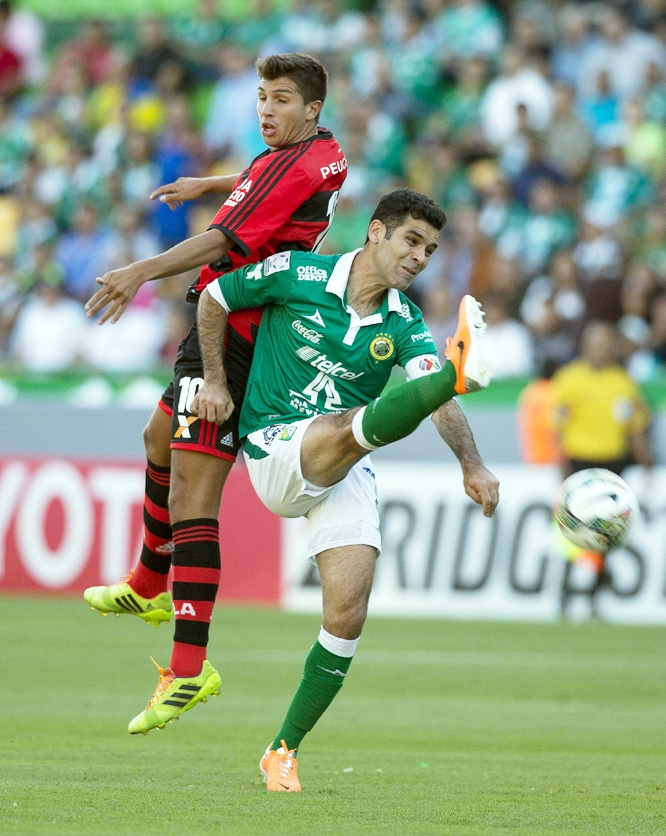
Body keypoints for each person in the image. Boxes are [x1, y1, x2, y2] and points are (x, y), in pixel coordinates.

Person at [190, 189, 499, 790]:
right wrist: (214, 381)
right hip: (276, 445)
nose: (420, 257)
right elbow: (215, 297)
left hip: (344, 461)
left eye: (431, 250)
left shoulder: (402, 321)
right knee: (352, 425)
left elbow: (432, 406)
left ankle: (282, 749)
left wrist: (473, 464)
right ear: (377, 232)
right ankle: (452, 376)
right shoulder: (301, 274)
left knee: (348, 615)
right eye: (412, 241)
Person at [82, 53, 348, 715]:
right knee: (157, 438)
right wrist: (213, 180)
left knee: (194, 491)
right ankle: (148, 582)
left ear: (312, 108)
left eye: (282, 99)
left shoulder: (290, 163)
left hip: (237, 331)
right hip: (225, 320)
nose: (266, 109)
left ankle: (188, 667)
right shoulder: (323, 153)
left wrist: (139, 270)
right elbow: (270, 181)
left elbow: (222, 240)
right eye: (262, 97)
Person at [551, 319, 654, 617]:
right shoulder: (569, 379)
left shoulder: (622, 383)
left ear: (613, 348)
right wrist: (562, 469)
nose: (600, 350)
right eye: (595, 344)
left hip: (612, 468)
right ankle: (566, 589)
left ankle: (596, 593)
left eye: (606, 344)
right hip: (580, 466)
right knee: (572, 531)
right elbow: (558, 428)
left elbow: (635, 430)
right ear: (585, 346)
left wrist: (646, 466)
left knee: (607, 532)